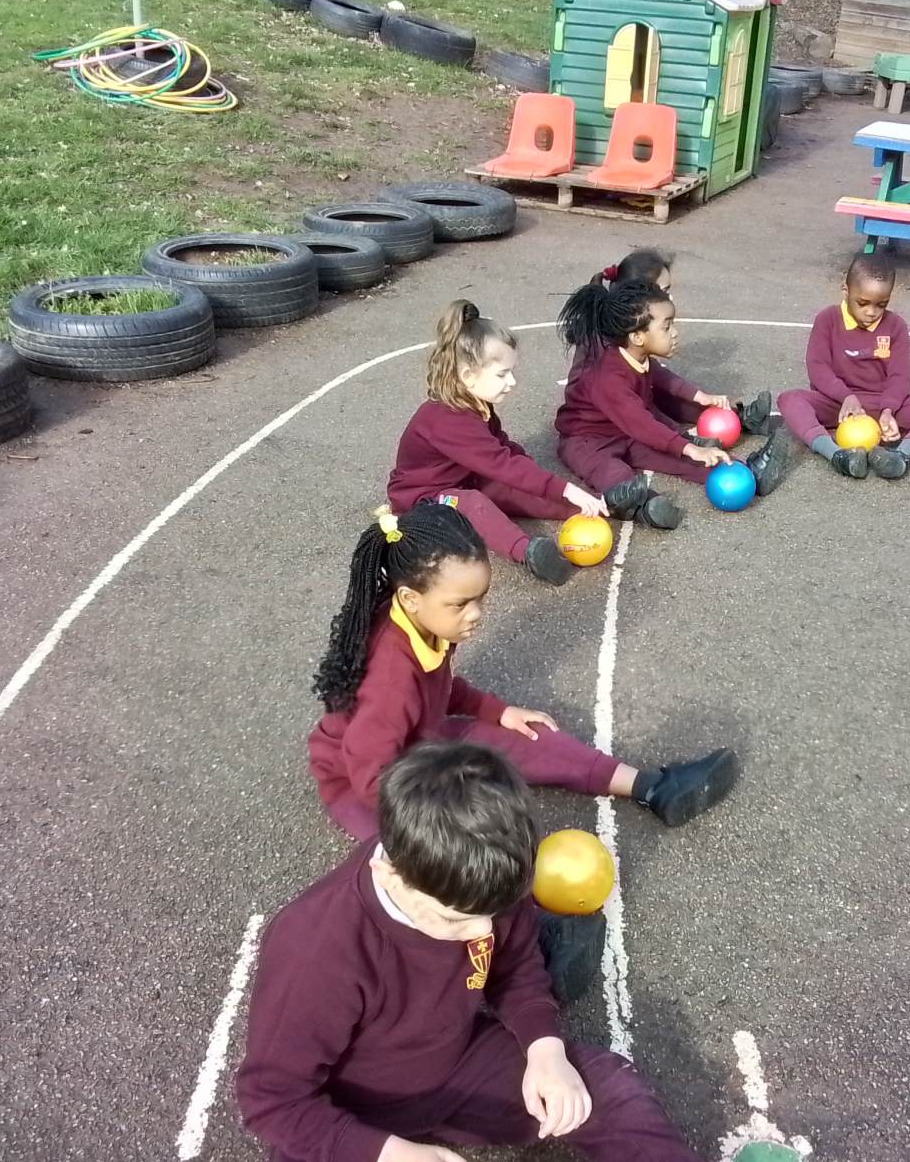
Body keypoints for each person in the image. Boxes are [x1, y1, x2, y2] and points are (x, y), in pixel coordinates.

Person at [236, 741, 910, 1162]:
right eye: (455, 921)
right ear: (393, 874)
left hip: (454, 1066)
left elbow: (515, 964)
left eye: (489, 915)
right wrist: (383, 1159)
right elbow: (269, 1099)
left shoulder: (482, 870)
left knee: (606, 1089)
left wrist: (544, 1047)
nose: (477, 933)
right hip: (345, 1112)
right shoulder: (317, 948)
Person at [307, 500, 739, 838]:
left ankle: (652, 787)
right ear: (410, 599)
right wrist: (452, 801)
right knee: (446, 855)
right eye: (461, 604)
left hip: (422, 742)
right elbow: (373, 780)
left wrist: (498, 712)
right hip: (368, 783)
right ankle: (522, 919)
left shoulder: (430, 620)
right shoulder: (389, 680)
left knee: (529, 736)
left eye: (480, 598)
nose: (475, 614)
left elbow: (436, 688)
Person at [388, 301, 607, 588]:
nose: (512, 381)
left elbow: (501, 445)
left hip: (467, 478)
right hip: (424, 500)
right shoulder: (447, 419)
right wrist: (565, 488)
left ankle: (591, 508)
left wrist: (566, 494)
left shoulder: (476, 403)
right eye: (502, 374)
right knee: (474, 503)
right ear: (468, 376)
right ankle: (528, 552)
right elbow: (503, 464)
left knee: (513, 487)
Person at [555, 275, 784, 528]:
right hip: (586, 441)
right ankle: (645, 507)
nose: (674, 333)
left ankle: (748, 474)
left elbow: (663, 379)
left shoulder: (636, 355)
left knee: (686, 457)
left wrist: (700, 399)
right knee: (614, 473)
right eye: (666, 327)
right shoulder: (608, 377)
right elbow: (641, 423)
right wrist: (691, 447)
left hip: (625, 433)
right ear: (638, 337)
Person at [779, 253, 910, 480]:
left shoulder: (896, 326)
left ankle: (901, 456)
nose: (871, 312)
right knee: (790, 399)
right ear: (846, 291)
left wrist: (888, 410)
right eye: (862, 303)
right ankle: (837, 455)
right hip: (838, 405)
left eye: (881, 305)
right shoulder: (827, 319)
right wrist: (846, 397)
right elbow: (818, 367)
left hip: (881, 405)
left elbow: (900, 376)